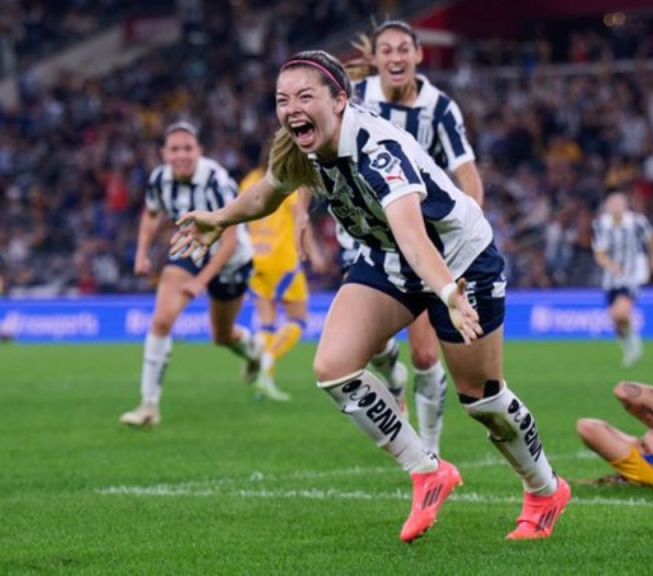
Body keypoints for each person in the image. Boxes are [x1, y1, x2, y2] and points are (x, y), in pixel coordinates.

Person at [171, 50, 571, 543]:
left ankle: (545, 489)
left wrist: (447, 292)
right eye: (282, 99)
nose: (291, 107)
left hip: (460, 261)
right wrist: (220, 218)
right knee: (333, 366)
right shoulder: (302, 146)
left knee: (482, 400)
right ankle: (428, 471)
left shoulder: (378, 149)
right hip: (390, 257)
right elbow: (268, 193)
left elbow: (414, 236)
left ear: (340, 100)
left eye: (304, 96)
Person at [341, 19, 486, 456]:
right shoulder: (353, 100)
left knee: (425, 356)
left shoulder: (439, 109)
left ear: (419, 55)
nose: (396, 58)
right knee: (370, 350)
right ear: (375, 58)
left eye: (404, 49)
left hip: (413, 243)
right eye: (387, 50)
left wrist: (467, 230)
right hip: (363, 240)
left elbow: (469, 178)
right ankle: (393, 376)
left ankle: (431, 454)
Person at [120, 121, 262, 427]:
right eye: (174, 149)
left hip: (230, 262)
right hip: (190, 252)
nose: (181, 155)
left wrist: (201, 280)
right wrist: (142, 252)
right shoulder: (160, 179)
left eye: (188, 148)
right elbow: (152, 212)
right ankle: (148, 406)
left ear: (199, 151)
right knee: (161, 321)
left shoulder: (216, 182)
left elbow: (231, 240)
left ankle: (253, 352)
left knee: (222, 336)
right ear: (164, 154)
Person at [239, 155, 330, 402]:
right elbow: (301, 219)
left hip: (255, 259)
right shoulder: (285, 182)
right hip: (283, 261)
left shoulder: (249, 182)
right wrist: (315, 253)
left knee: (267, 322)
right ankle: (266, 365)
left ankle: (258, 356)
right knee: (298, 319)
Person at [592, 192, 653, 367]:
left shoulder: (638, 222)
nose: (616, 207)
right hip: (611, 278)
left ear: (625, 206)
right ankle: (628, 346)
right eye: (612, 204)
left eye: (619, 204)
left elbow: (651, 238)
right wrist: (611, 265)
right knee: (616, 320)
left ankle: (634, 343)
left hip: (633, 274)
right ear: (607, 206)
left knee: (620, 312)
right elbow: (599, 253)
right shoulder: (601, 224)